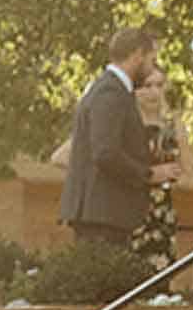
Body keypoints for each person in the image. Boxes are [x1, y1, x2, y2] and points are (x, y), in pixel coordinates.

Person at [56, 27, 177, 248]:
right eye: (151, 60)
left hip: (107, 216)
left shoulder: (114, 90)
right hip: (102, 216)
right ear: (138, 55)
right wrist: (149, 174)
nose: (151, 68)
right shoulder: (110, 92)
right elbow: (105, 152)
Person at [127, 65, 187, 268]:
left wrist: (178, 124)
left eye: (159, 85)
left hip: (161, 214)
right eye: (147, 86)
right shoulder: (122, 124)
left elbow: (188, 169)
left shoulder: (170, 126)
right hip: (128, 211)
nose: (154, 92)